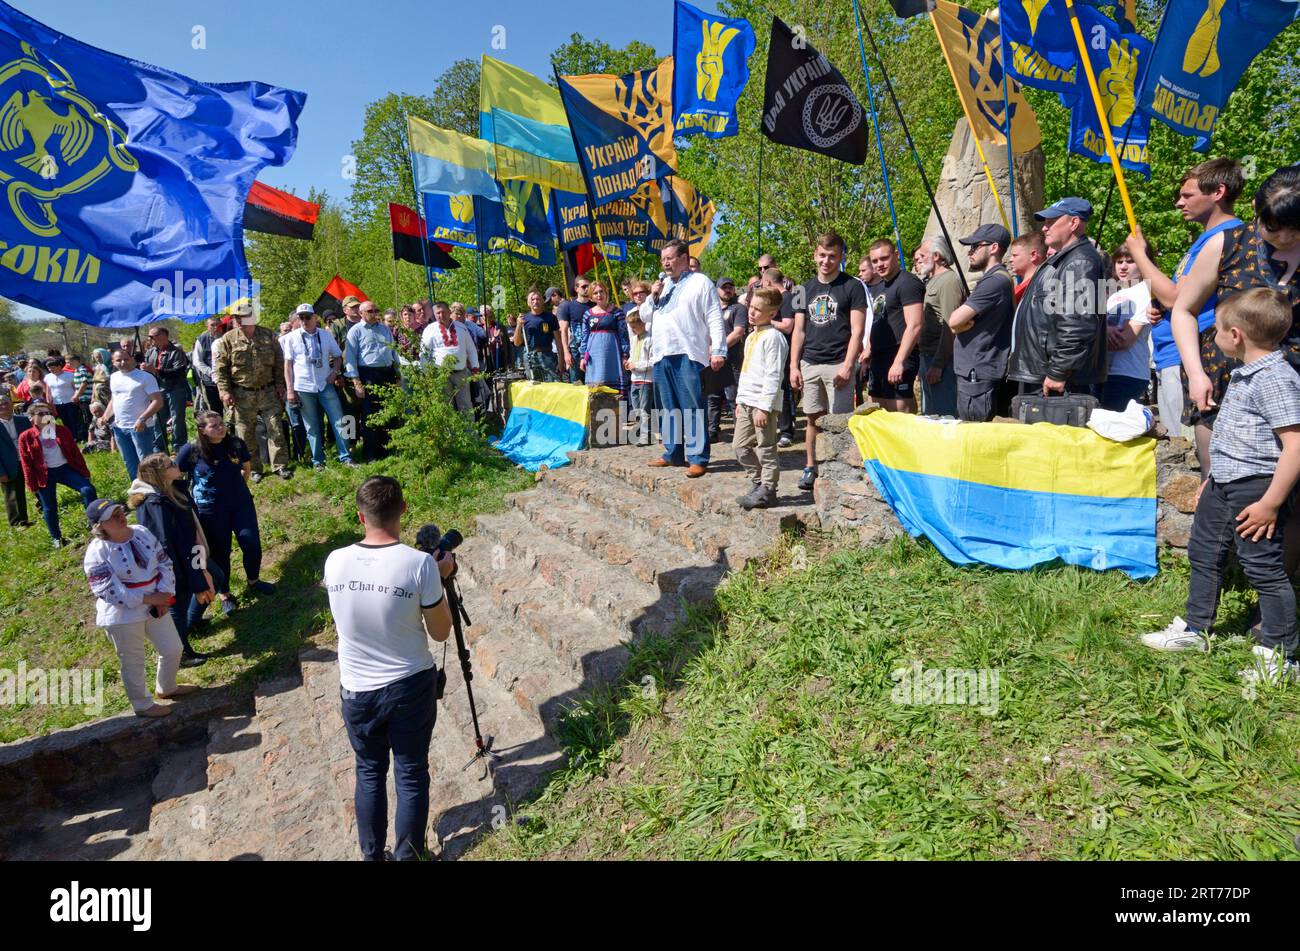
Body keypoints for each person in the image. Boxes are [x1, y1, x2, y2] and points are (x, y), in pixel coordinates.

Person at [1142, 289, 1300, 684]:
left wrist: (1270, 503)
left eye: (1214, 331)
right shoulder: (1246, 373)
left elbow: (1295, 446)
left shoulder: (1277, 379)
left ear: (1236, 335)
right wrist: (1213, 477)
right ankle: (1196, 629)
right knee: (1204, 552)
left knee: (1263, 568)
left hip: (1257, 488)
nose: (1209, 337)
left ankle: (1279, 655)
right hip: (1224, 482)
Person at [323, 476, 455, 861]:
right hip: (408, 685)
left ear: (360, 516)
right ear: (404, 510)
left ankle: (371, 856)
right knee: (411, 773)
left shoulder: (334, 561)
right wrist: (441, 580)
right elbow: (441, 631)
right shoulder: (419, 566)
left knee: (368, 771)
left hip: (356, 689)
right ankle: (409, 856)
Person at [1125, 158, 1244, 444]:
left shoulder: (1227, 236)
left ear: (1218, 192)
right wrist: (1160, 308)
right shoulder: (1205, 240)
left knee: (1188, 449)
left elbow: (1177, 298)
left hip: (1198, 361)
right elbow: (1181, 297)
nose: (1179, 203)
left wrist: (1140, 254)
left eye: (1187, 195)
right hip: (1175, 357)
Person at [83, 498, 199, 718]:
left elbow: (164, 562)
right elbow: (109, 591)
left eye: (119, 511)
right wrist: (152, 599)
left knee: (173, 648)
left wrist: (165, 595)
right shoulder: (97, 553)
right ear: (100, 526)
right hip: (122, 615)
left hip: (156, 601)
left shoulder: (141, 532)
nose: (120, 516)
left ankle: (167, 687)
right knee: (133, 660)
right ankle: (142, 705)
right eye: (112, 516)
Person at [789, 232, 868, 491]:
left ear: (841, 257)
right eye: (822, 255)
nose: (826, 261)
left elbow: (857, 330)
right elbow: (798, 330)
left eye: (832, 256)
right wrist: (793, 366)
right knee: (812, 419)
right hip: (810, 363)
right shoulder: (802, 289)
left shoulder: (853, 286)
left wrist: (848, 365)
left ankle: (840, 469)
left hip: (838, 363)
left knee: (840, 420)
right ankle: (810, 467)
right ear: (815, 255)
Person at [129, 453, 223, 666]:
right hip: (175, 565)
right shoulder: (156, 503)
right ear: (159, 474)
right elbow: (170, 543)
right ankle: (181, 654)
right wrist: (196, 574)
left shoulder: (172, 489)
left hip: (189, 555)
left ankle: (192, 622)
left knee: (216, 576)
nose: (176, 464)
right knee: (176, 607)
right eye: (171, 464)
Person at [1009, 197, 1108, 396]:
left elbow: (1078, 325)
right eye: (1045, 222)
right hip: (1044, 373)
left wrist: (1058, 372)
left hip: (1057, 380)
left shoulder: (1079, 262)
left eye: (1051, 222)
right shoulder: (1065, 259)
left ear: (1074, 223)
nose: (1045, 228)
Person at [177, 411, 276, 607]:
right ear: (203, 431)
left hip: (241, 504)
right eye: (214, 426)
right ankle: (225, 594)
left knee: (251, 543)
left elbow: (245, 468)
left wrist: (238, 489)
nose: (220, 428)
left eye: (221, 423)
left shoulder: (236, 444)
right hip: (210, 510)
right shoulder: (192, 450)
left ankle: (253, 580)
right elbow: (176, 475)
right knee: (221, 552)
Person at [645, 239, 726, 477]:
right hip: (661, 354)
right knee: (668, 408)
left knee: (691, 407)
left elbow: (713, 315)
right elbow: (644, 316)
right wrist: (653, 295)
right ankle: (672, 453)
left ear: (683, 258)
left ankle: (698, 457)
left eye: (669, 258)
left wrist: (719, 348)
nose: (665, 263)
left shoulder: (700, 282)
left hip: (688, 352)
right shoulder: (662, 286)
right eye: (662, 259)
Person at [215, 303, 292, 483]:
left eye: (243, 317)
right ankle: (254, 468)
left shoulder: (268, 335)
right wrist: (224, 391)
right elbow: (221, 369)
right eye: (236, 317)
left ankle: (280, 466)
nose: (239, 320)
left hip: (268, 391)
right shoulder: (227, 339)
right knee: (245, 434)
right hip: (241, 394)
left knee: (276, 429)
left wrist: (281, 385)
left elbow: (280, 362)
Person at [948, 225, 1017, 422]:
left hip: (978, 373)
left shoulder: (994, 282)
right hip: (976, 370)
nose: (970, 252)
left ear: (994, 247)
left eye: (976, 246)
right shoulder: (997, 279)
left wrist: (958, 326)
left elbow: (954, 320)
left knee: (975, 433)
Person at [734, 288, 790, 510]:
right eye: (751, 307)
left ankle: (768, 490)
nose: (752, 312)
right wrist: (739, 400)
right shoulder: (751, 337)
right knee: (739, 447)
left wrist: (764, 408)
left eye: (759, 309)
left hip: (762, 404)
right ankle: (758, 482)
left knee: (766, 448)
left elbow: (773, 375)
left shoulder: (774, 338)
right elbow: (746, 373)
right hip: (747, 401)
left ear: (772, 313)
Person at [283, 304, 354, 470]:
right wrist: (290, 389)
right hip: (303, 387)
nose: (304, 320)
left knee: (341, 421)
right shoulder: (291, 338)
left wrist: (334, 372)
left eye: (308, 317)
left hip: (325, 384)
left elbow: (337, 356)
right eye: (301, 317)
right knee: (312, 426)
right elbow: (287, 366)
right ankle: (318, 461)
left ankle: (346, 456)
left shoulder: (325, 335)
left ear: (315, 318)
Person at [19, 402, 97, 549]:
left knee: (88, 490)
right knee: (49, 507)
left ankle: (94, 522)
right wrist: (31, 485)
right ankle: (57, 538)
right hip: (45, 474)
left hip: (65, 469)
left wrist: (84, 473)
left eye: (47, 413)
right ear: (31, 418)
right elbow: (26, 463)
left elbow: (75, 453)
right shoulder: (26, 437)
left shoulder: (61, 430)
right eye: (41, 414)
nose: (46, 416)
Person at [865, 239, 926, 412]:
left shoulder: (908, 282)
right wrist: (868, 351)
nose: (879, 264)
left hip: (899, 356)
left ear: (896, 255)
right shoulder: (879, 286)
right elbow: (878, 321)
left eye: (884, 258)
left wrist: (899, 361)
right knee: (877, 413)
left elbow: (915, 325)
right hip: (878, 359)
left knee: (900, 415)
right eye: (875, 261)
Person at [1100, 241, 1155, 412]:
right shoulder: (1114, 295)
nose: (1123, 267)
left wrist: (1099, 336)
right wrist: (1105, 331)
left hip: (1128, 373)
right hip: (1105, 372)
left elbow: (1125, 340)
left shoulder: (1146, 291)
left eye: (1130, 261)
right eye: (1119, 261)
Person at [345, 300, 399, 462]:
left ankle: (387, 449)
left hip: (387, 373)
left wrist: (398, 375)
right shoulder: (355, 331)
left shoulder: (384, 328)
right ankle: (371, 453)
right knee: (370, 416)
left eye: (376, 310)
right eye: (370, 311)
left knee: (389, 412)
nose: (374, 313)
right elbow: (350, 359)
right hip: (368, 375)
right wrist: (356, 382)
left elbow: (393, 352)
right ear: (361, 313)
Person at [101, 348, 164, 481]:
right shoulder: (113, 377)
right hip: (119, 427)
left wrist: (142, 419)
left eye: (126, 359)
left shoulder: (145, 377)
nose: (123, 362)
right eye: (119, 360)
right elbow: (114, 399)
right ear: (113, 362)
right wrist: (106, 415)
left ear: (133, 360)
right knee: (129, 463)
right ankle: (138, 489)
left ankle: (153, 489)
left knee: (146, 462)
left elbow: (157, 401)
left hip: (141, 427)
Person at [918, 235, 962, 417]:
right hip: (926, 356)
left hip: (941, 361)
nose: (919, 259)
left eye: (923, 255)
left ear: (936, 256)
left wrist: (938, 364)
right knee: (930, 415)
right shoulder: (930, 281)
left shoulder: (949, 280)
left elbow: (950, 325)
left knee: (944, 417)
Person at [706, 277, 747, 443]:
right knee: (712, 398)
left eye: (730, 287)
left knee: (734, 398)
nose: (727, 290)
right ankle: (711, 432)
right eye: (724, 287)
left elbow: (738, 333)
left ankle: (741, 435)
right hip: (712, 361)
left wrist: (718, 349)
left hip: (732, 361)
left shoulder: (739, 308)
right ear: (717, 290)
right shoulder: (711, 309)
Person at [760, 266, 798, 446]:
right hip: (775, 350)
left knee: (785, 391)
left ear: (768, 282)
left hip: (787, 351)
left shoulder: (788, 298)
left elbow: (788, 326)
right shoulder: (778, 299)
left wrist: (767, 321)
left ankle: (787, 431)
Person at [421, 301, 476, 413]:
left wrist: (475, 367)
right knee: (445, 407)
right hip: (441, 374)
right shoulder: (429, 330)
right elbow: (424, 353)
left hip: (461, 372)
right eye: (438, 313)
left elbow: (471, 348)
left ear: (449, 312)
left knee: (466, 405)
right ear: (434, 314)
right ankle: (448, 431)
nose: (441, 315)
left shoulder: (461, 327)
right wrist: (426, 373)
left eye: (444, 312)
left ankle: (469, 431)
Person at [143, 327, 192, 452]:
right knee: (157, 419)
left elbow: (178, 372)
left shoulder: (176, 352)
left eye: (152, 336)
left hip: (175, 389)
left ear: (163, 336)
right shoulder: (150, 352)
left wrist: (155, 370)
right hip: (157, 390)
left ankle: (179, 448)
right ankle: (160, 448)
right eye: (149, 337)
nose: (150, 339)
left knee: (177, 419)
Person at [579, 281, 630, 396]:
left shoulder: (617, 312)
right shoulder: (587, 314)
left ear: (606, 292)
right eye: (595, 293)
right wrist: (583, 357)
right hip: (594, 357)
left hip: (613, 355)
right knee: (596, 391)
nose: (599, 295)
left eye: (601, 291)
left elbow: (623, 335)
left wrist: (625, 355)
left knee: (616, 393)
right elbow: (584, 337)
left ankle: (620, 414)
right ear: (591, 297)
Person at [512, 290, 561, 381]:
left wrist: (561, 360)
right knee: (535, 387)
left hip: (547, 355)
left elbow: (558, 340)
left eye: (538, 299)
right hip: (530, 356)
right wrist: (518, 325)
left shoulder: (550, 317)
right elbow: (517, 343)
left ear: (542, 301)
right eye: (532, 299)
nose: (535, 301)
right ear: (528, 303)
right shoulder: (523, 319)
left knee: (552, 384)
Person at [0, 393, 32, 528]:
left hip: (27, 461)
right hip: (8, 465)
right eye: (0, 405)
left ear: (12, 404)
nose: (3, 406)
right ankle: (18, 523)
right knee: (12, 494)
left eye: (6, 403)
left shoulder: (23, 420)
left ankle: (43, 508)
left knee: (38, 486)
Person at [624, 310, 655, 446]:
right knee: (636, 408)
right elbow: (632, 355)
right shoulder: (634, 339)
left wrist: (636, 365)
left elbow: (652, 361)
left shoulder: (650, 339)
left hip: (646, 380)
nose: (632, 329)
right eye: (631, 327)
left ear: (643, 323)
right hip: (634, 379)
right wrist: (628, 363)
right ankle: (642, 430)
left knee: (644, 409)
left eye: (635, 327)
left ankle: (645, 435)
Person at [557, 277, 592, 383]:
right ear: (576, 288)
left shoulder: (595, 305)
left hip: (592, 349)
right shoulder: (568, 306)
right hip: (575, 351)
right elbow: (563, 331)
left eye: (588, 286)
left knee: (593, 384)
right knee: (577, 384)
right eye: (583, 286)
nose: (586, 288)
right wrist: (566, 352)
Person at [43, 355, 82, 440]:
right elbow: (48, 390)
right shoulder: (48, 377)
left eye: (52, 367)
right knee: (64, 420)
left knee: (73, 420)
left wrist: (76, 397)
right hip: (57, 403)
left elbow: (76, 388)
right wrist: (49, 402)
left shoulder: (70, 375)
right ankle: (70, 436)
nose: (50, 370)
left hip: (70, 401)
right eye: (49, 368)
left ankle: (77, 436)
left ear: (59, 366)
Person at [191, 316, 225, 413]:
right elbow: (197, 361)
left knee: (232, 410)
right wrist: (212, 373)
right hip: (211, 382)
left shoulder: (227, 337)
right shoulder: (201, 340)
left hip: (228, 380)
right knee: (215, 410)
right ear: (207, 326)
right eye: (212, 325)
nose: (215, 327)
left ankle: (231, 428)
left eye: (217, 324)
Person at [1007, 232, 1048, 303]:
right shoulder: (1025, 287)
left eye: (1015, 255)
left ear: (1033, 255)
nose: (1010, 260)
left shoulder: (1035, 289)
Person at [68, 354, 93, 440]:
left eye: (69, 362)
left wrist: (77, 396)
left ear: (75, 361)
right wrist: (75, 395)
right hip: (82, 399)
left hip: (86, 398)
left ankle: (90, 437)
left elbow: (84, 383)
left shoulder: (82, 370)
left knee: (87, 418)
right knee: (83, 418)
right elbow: (78, 386)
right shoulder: (76, 370)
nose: (68, 365)